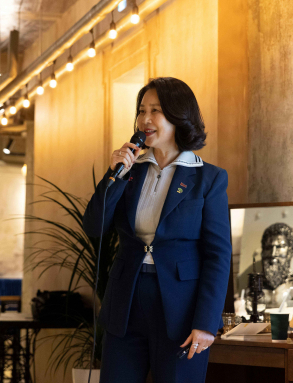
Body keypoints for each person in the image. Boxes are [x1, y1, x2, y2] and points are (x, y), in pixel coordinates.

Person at [83, 77, 231, 383]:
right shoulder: (130, 171)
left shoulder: (208, 179)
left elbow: (218, 255)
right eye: (141, 111)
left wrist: (206, 322)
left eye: (155, 111)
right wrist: (115, 175)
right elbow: (94, 226)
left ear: (179, 116)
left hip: (181, 310)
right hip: (126, 303)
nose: (145, 120)